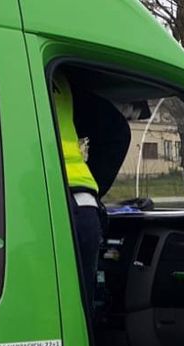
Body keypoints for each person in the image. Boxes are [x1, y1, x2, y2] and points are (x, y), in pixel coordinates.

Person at [51, 70, 130, 316]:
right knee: (74, 310)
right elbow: (116, 131)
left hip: (30, 204)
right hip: (80, 205)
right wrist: (92, 189)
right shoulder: (56, 81)